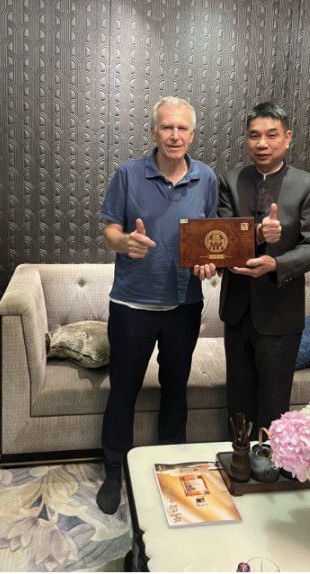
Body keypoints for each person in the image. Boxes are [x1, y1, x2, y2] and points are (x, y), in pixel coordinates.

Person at [97, 96, 218, 514]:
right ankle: (115, 471)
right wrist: (124, 242)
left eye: (182, 128)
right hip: (132, 304)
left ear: (192, 134)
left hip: (184, 304)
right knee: (123, 390)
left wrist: (209, 262)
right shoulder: (128, 174)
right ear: (154, 132)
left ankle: (172, 467)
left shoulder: (206, 178)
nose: (174, 135)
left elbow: (211, 236)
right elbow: (110, 229)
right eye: (167, 127)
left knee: (175, 390)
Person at [218, 101, 310, 436]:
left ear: (287, 138)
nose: (262, 143)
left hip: (281, 314)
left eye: (271, 135)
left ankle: (271, 463)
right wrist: (257, 234)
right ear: (246, 139)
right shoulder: (230, 180)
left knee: (274, 404)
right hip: (236, 311)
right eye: (254, 135)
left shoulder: (309, 185)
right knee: (237, 402)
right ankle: (238, 460)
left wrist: (276, 263)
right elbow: (221, 237)